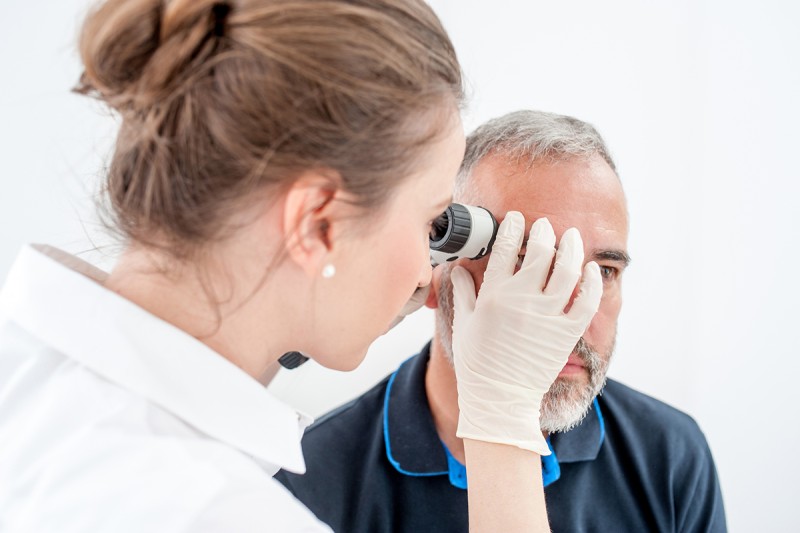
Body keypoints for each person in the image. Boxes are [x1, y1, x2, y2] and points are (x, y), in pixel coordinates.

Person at [0, 2, 603, 532]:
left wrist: (301, 317)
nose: (429, 276)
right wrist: (501, 417)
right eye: (430, 224)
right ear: (319, 223)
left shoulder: (27, 373)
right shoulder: (221, 514)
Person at [276, 110, 728, 532]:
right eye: (529, 264)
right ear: (437, 268)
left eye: (604, 272)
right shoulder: (311, 475)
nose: (574, 313)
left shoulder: (669, 458)